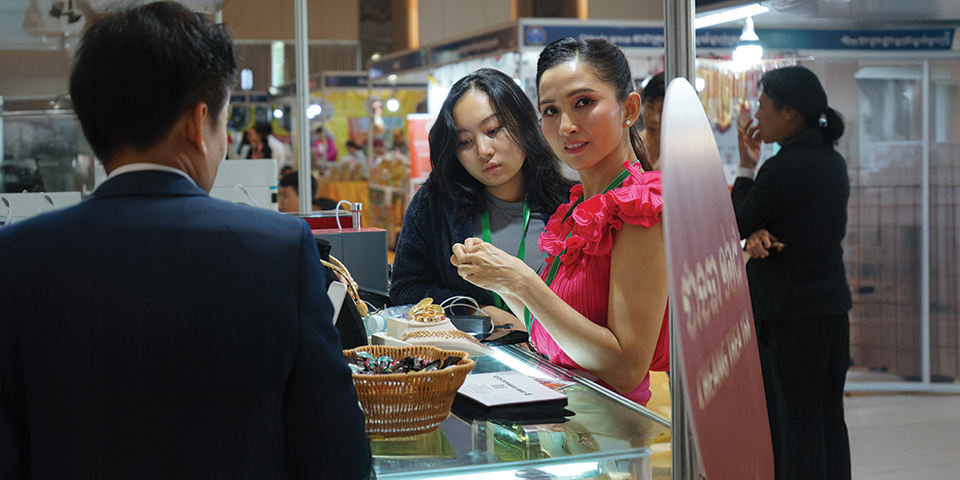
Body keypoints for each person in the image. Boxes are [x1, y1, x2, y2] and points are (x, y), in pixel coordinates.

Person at [0, 3, 371, 479]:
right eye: (223, 120)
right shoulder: (278, 251)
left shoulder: (17, 258)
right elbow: (336, 456)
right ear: (199, 124)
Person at [451, 38, 669, 406]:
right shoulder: (576, 209)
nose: (566, 126)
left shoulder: (640, 207)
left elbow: (626, 367)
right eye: (551, 110)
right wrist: (502, 281)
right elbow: (553, 331)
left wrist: (522, 281)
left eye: (584, 102)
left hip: (609, 427)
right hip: (563, 417)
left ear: (629, 109)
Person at [732, 65, 851, 480]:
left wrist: (746, 168)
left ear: (789, 112)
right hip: (830, 312)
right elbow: (788, 226)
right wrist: (758, 233)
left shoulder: (782, 169)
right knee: (827, 421)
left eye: (763, 105)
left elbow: (735, 222)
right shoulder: (833, 162)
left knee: (792, 427)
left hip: (789, 319)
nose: (757, 114)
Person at [390, 68, 574, 329]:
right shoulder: (436, 202)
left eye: (493, 130)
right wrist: (475, 310)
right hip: (473, 354)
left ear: (524, 123)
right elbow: (405, 289)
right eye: (464, 142)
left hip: (562, 353)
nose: (483, 150)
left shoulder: (572, 202)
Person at [639, 72, 664, 170]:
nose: (653, 118)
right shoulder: (633, 148)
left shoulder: (685, 154)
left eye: (662, 110)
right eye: (649, 107)